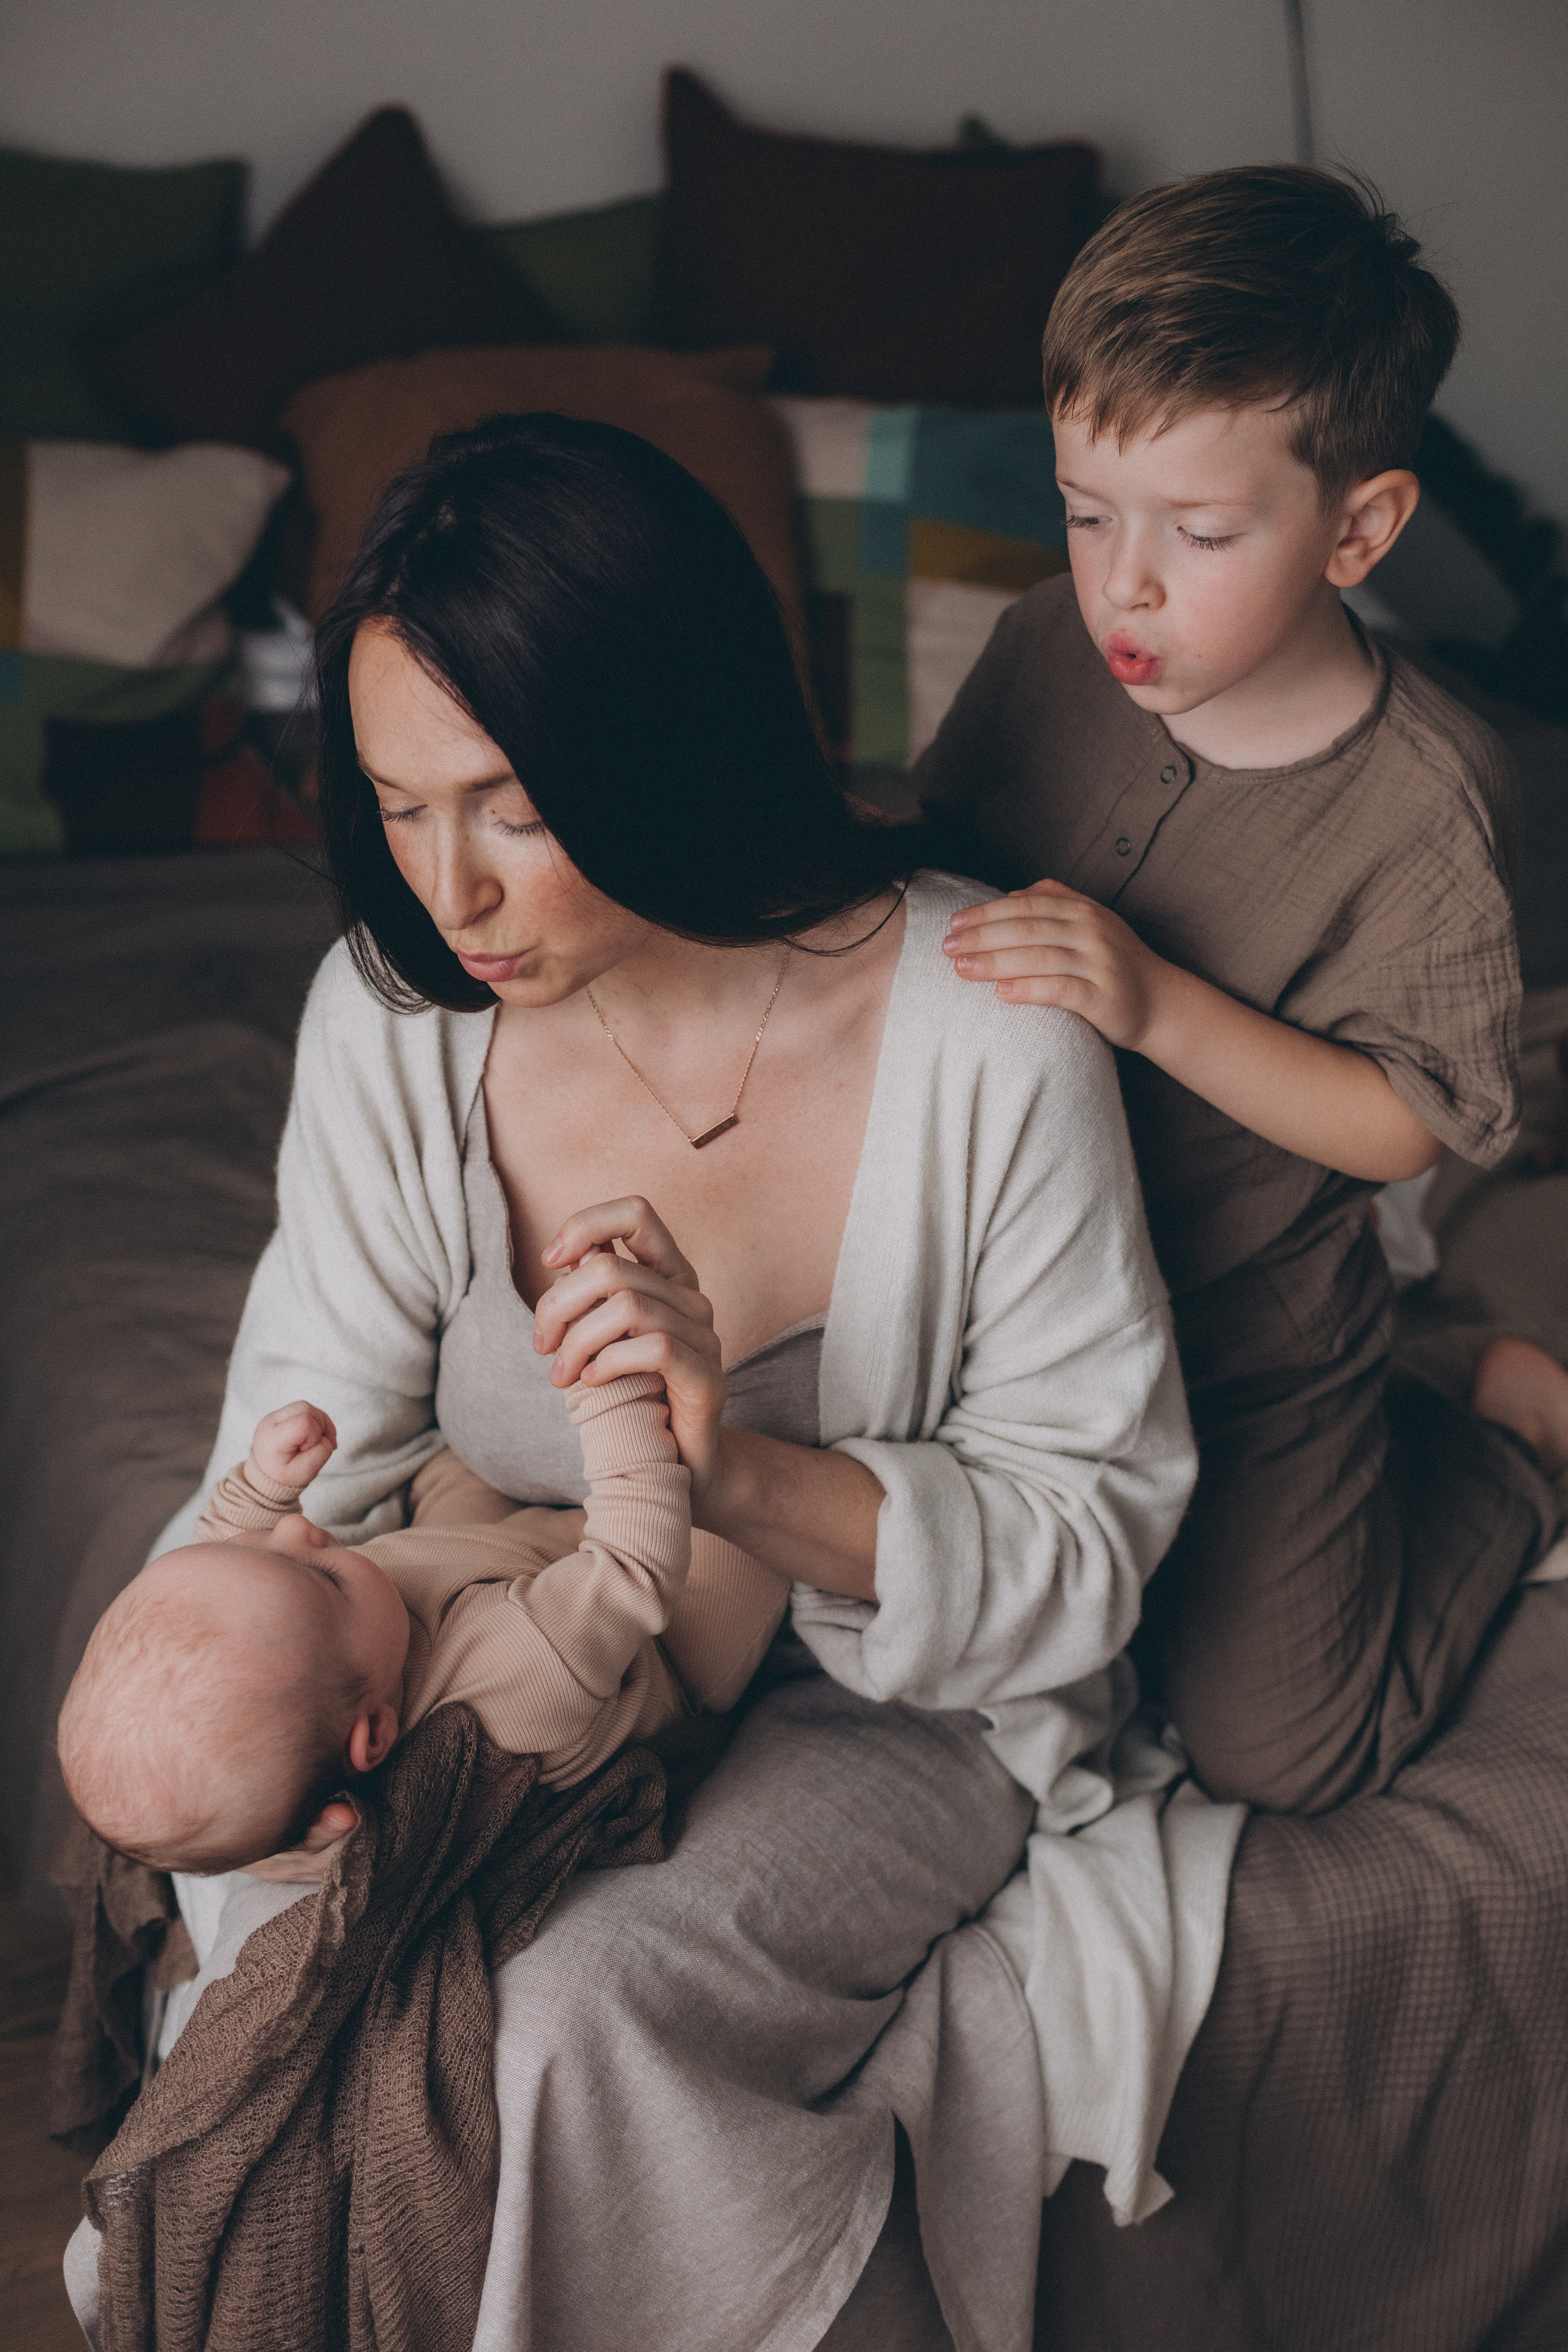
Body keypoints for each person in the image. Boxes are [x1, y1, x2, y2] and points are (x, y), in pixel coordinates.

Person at [113, 412, 1199, 2350]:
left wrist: (733, 1468)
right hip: (492, 1683)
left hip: (884, 1708)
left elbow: (1086, 1543)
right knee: (309, 1995)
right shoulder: (396, 1018)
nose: (450, 892)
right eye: (400, 807)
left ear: (665, 744)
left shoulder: (983, 1034)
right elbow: (298, 1475)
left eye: (510, 809)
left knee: (565, 2024)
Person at [921, 164, 1568, 1814]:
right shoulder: (1043, 648)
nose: (1121, 583)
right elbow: (929, 860)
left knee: (1283, 1751)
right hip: (998, 1294)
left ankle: (1496, 1428)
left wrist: (1150, 1004)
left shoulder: (1430, 799)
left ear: (1359, 529)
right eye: (1085, 511)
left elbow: (1406, 1127)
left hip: (1248, 1333)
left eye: (1198, 533)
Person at [56, 1352, 787, 1875]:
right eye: (317, 1574)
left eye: (262, 1547)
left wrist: (261, 1490)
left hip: (475, 1559)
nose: (299, 1531)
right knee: (738, 1526)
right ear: (376, 1734)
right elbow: (633, 1565)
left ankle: (493, 1512)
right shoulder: (512, 1686)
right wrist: (612, 1397)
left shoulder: (269, 1815)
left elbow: (221, 1563)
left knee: (453, 1467)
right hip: (652, 1639)